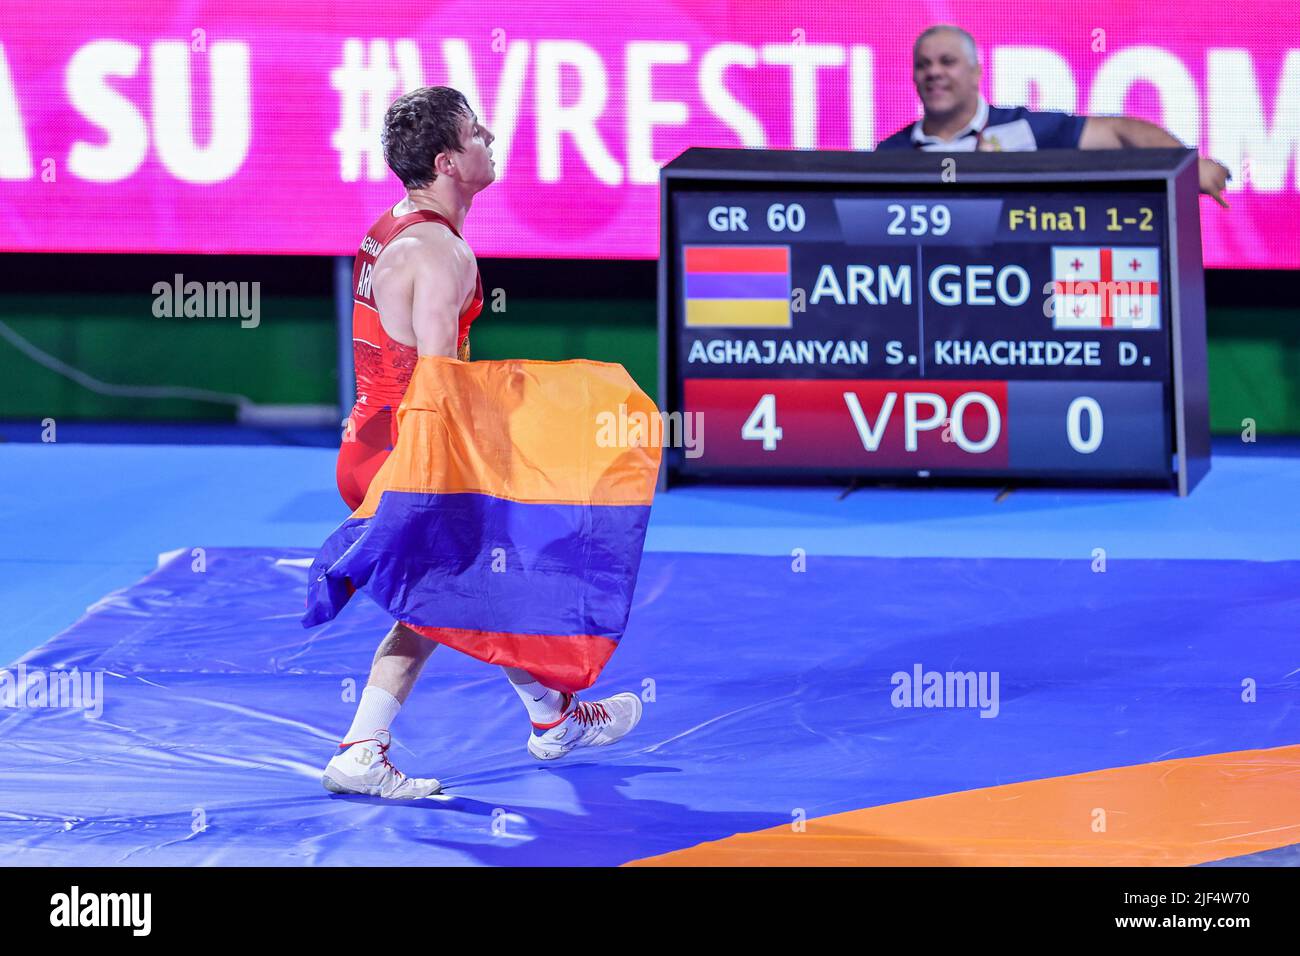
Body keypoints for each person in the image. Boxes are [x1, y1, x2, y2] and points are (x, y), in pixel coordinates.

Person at [323, 86, 642, 800]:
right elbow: (440, 380)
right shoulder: (441, 252)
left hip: (372, 440)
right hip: (412, 450)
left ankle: (551, 718)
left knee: (468, 588)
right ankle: (362, 748)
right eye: (475, 133)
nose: (488, 137)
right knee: (445, 595)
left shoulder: (392, 227)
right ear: (447, 161)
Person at [876, 25, 1232, 208]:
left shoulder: (1024, 130)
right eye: (923, 65)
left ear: (976, 73)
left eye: (947, 62)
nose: (933, 72)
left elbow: (1120, 132)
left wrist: (1188, 166)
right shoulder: (890, 154)